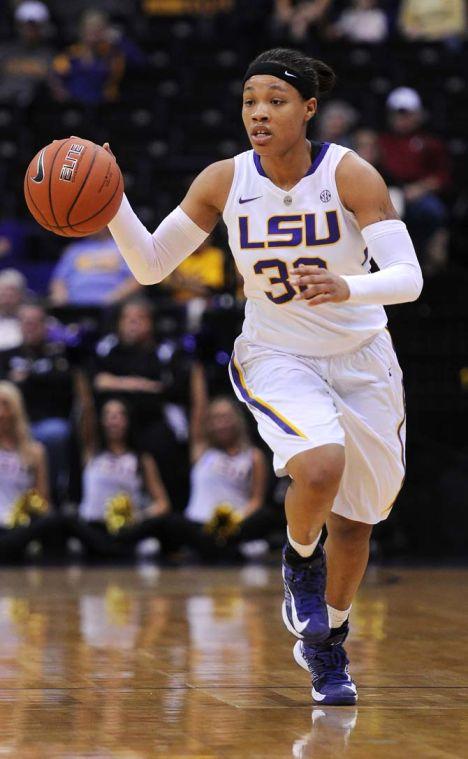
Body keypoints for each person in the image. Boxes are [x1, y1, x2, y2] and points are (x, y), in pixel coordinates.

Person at [105, 47, 423, 705]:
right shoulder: (224, 179)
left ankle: (328, 642)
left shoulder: (350, 173)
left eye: (275, 100)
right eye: (250, 100)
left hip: (363, 359)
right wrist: (112, 201)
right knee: (318, 465)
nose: (259, 112)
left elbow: (409, 278)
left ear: (308, 109)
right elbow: (152, 265)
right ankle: (298, 556)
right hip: (277, 355)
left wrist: (348, 285)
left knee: (359, 524)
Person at [0, 301, 90, 503]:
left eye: (35, 322)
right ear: (19, 325)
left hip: (47, 422)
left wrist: (27, 379)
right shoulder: (6, 355)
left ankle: (50, 495)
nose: (30, 326)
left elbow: (63, 387)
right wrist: (38, 378)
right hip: (9, 426)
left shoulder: (58, 354)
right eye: (26, 322)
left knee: (56, 434)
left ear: (45, 325)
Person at [66, 397, 170, 558]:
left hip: (126, 529)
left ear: (128, 421)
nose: (114, 419)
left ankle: (112, 549)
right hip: (93, 527)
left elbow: (162, 504)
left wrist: (139, 515)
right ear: (100, 422)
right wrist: (82, 375)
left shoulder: (142, 459)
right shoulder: (91, 451)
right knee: (65, 521)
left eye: (120, 415)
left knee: (155, 540)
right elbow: (86, 409)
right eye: (108, 415)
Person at [379, 87, 450, 275]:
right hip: (387, 192)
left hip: (419, 193)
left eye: (407, 114)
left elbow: (442, 175)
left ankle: (426, 258)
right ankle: (388, 265)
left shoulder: (430, 142)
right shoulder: (381, 141)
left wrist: (421, 188)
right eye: (398, 114)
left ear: (418, 115)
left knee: (432, 210)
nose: (402, 119)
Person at [0, 380, 60, 561]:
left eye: (5, 405)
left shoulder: (35, 452)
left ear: (16, 410)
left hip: (20, 528)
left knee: (59, 520)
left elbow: (43, 501)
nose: (1, 412)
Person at [49, 229, 141, 307]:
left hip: (114, 305)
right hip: (75, 306)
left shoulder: (124, 247)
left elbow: (138, 278)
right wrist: (61, 300)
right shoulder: (74, 250)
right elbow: (58, 280)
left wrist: (116, 297)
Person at [0, 1, 53, 106]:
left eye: (34, 26)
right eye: (26, 25)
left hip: (38, 111)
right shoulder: (4, 53)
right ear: (18, 26)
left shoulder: (51, 55)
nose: (30, 30)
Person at [0, 269, 26, 351]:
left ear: (21, 296)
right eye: (3, 295)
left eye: (11, 296)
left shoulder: (31, 321)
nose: (6, 301)